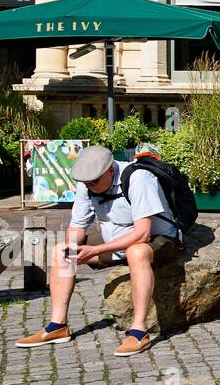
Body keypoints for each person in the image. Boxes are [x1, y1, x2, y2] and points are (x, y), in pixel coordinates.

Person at [16, 145, 181, 357]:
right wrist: (73, 247)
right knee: (61, 250)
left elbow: (142, 234)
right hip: (115, 239)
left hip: (159, 238)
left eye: (94, 182)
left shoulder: (138, 178)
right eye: (86, 183)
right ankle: (57, 326)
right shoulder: (88, 183)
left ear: (111, 170)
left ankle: (139, 331)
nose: (90, 187)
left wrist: (95, 249)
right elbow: (77, 226)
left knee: (136, 252)